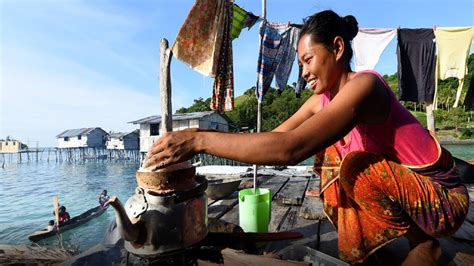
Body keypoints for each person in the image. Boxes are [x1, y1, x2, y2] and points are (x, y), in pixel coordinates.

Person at [143, 10, 469, 265]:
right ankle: (370, 250)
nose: (303, 73)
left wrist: (198, 138)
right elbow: (274, 139)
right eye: (300, 64)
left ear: (337, 48)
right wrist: (196, 145)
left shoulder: (366, 86)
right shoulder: (321, 101)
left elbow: (291, 149)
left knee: (350, 164)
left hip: (441, 202)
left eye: (308, 60)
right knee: (329, 160)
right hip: (406, 195)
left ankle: (423, 244)